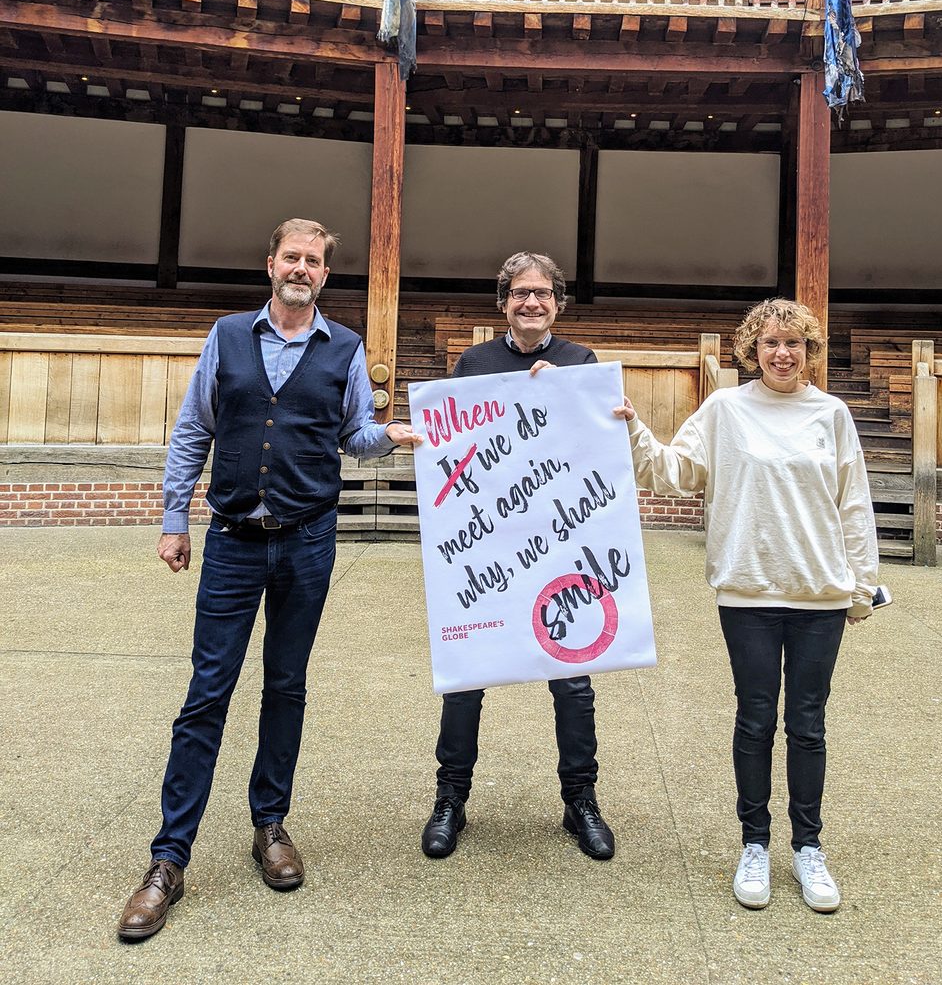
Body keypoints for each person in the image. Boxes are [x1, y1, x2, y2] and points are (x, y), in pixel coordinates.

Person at [117, 218, 421, 941]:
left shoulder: (345, 347)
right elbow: (195, 429)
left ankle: (270, 825)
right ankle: (168, 859)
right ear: (270, 264)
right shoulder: (226, 337)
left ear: (324, 274)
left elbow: (353, 435)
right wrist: (172, 519)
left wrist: (395, 436)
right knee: (207, 693)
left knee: (286, 685)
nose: (303, 268)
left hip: (309, 542)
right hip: (231, 542)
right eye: (293, 256)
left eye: (315, 261)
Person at [616, 298, 878, 913]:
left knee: (808, 723)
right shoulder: (726, 410)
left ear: (810, 351)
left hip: (818, 594)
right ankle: (754, 844)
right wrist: (630, 425)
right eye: (770, 344)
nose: (782, 354)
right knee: (756, 718)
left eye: (794, 343)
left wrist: (861, 588)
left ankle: (808, 848)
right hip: (748, 591)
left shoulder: (832, 414)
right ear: (750, 351)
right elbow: (673, 472)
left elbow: (854, 505)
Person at [420, 251, 616, 863]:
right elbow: (456, 451)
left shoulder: (581, 362)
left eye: (543, 294)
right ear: (503, 301)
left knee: (573, 677)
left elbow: (591, 448)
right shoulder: (474, 364)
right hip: (490, 539)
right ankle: (450, 797)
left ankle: (580, 799)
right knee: (468, 675)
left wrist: (607, 417)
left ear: (558, 301)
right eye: (520, 293)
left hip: (559, 539)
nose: (532, 303)